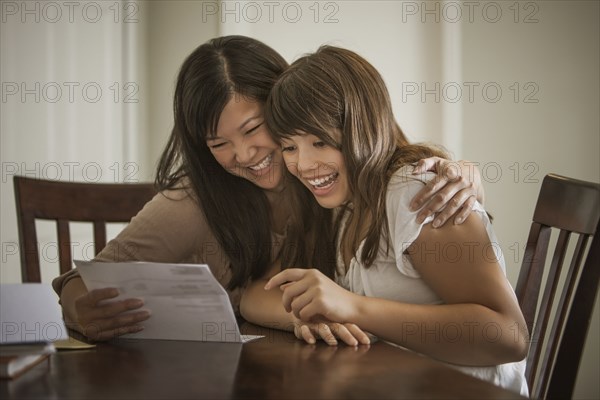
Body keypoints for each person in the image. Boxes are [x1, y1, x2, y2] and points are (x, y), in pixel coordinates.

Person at [52, 36, 485, 343]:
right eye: (219, 144)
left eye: (254, 128)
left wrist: (463, 172)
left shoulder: (331, 184)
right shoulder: (192, 204)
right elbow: (79, 281)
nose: (243, 154)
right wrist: (77, 307)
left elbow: (387, 159)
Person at [263, 46, 529, 395]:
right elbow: (257, 295)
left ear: (363, 125)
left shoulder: (415, 193)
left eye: (320, 141)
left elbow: (507, 336)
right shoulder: (345, 203)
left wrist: (353, 307)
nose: (305, 164)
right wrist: (307, 315)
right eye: (289, 147)